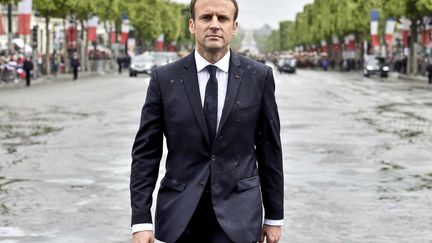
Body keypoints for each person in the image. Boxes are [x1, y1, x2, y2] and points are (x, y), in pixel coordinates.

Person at [130, 0, 284, 242]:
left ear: (234, 27)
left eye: (222, 19)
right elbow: (146, 154)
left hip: (240, 217)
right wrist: (141, 219)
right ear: (192, 25)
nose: (214, 25)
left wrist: (274, 217)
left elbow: (270, 151)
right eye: (206, 18)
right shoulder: (163, 79)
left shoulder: (259, 77)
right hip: (178, 217)